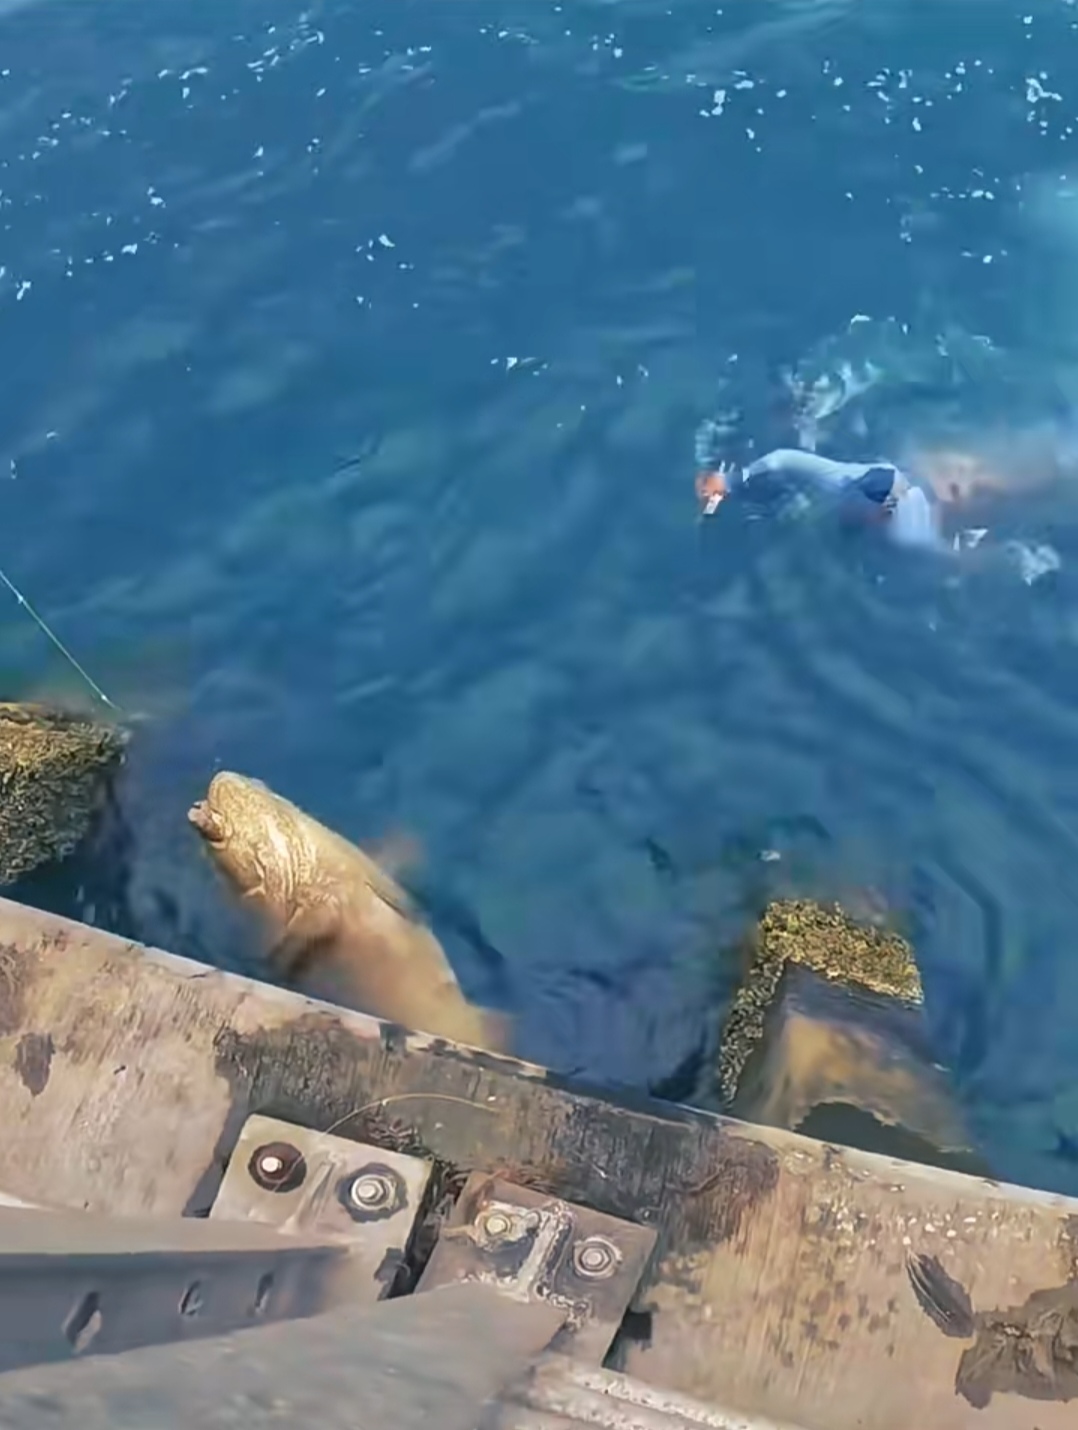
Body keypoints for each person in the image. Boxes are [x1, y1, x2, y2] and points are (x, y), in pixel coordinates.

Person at [694, 444, 1062, 580]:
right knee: (986, 486)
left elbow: (960, 557)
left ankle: (1054, 474)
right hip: (899, 500)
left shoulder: (909, 531)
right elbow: (783, 459)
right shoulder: (845, 481)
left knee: (997, 490)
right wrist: (731, 480)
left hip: (915, 509)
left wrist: (1017, 558)